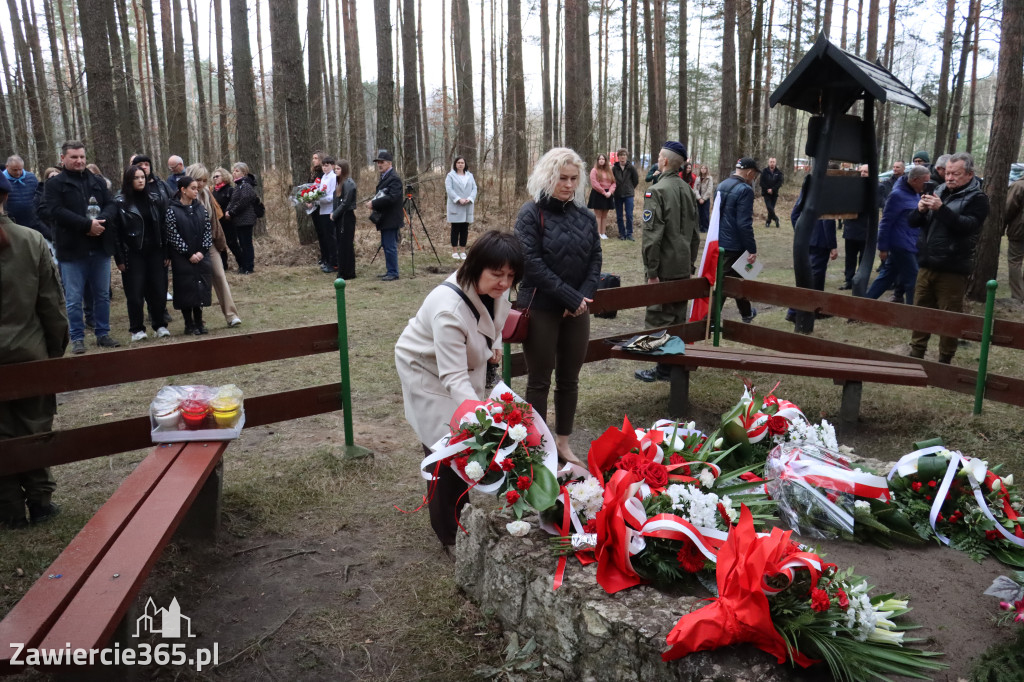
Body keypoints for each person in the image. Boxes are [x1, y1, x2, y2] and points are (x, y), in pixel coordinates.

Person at [395, 230, 522, 551]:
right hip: (426, 370)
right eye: (497, 274)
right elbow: (452, 377)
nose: (505, 283)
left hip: (461, 367)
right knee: (444, 449)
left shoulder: (496, 290)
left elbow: (495, 322)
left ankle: (461, 513)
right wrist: (484, 420)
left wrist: (493, 345)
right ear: (475, 267)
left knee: (467, 446)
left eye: (511, 275)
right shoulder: (448, 310)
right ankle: (447, 534)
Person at [514, 147, 602, 464]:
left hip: (577, 310)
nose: (567, 184)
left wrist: (582, 296)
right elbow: (531, 264)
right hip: (541, 307)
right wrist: (569, 297)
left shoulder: (586, 215)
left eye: (573, 179)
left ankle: (562, 443)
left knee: (569, 379)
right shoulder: (530, 214)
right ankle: (538, 447)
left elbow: (595, 259)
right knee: (539, 379)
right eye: (561, 178)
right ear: (547, 178)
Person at [0, 173, 69, 529]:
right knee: (33, 426)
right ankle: (40, 502)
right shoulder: (32, 241)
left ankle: (9, 509)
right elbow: (52, 307)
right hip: (29, 353)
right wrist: (53, 354)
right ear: (7, 198)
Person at [908, 152, 990, 364]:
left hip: (953, 266)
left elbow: (967, 227)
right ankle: (916, 352)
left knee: (950, 317)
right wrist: (919, 210)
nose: (950, 178)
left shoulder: (978, 199)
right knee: (921, 312)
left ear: (970, 174)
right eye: (948, 173)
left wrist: (941, 209)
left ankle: (945, 359)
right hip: (927, 263)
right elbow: (914, 223)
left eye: (956, 174)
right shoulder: (939, 190)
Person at [41, 141, 119, 355]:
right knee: (74, 298)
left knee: (102, 295)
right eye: (74, 157)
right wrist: (86, 226)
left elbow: (111, 204)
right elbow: (55, 211)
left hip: (99, 247)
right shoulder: (55, 184)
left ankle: (103, 333)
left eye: (82, 156)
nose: (79, 161)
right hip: (72, 250)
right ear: (63, 158)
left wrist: (100, 221)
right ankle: (77, 338)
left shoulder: (97, 181)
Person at [634, 141, 700, 383]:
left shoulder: (657, 191)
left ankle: (662, 369)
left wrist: (652, 272)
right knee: (677, 318)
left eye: (659, 156)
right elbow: (695, 234)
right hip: (682, 265)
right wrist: (690, 264)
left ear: (664, 161)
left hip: (664, 268)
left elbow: (652, 237)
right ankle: (670, 367)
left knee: (659, 318)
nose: (658, 159)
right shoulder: (688, 190)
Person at [111, 165, 170, 342]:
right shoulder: (120, 203)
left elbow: (163, 226)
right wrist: (119, 257)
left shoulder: (155, 199)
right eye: (136, 178)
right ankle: (137, 329)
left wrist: (166, 251)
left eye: (143, 177)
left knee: (159, 290)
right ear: (129, 180)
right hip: (133, 252)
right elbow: (115, 233)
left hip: (156, 251)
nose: (140, 180)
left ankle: (160, 325)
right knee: (135, 293)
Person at [862, 165, 930, 304]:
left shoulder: (917, 193)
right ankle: (913, 314)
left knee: (886, 277)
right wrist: (883, 247)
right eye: (925, 181)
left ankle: (862, 306)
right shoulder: (897, 195)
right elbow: (886, 222)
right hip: (900, 244)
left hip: (911, 242)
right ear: (915, 180)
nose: (927, 185)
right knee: (914, 279)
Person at [187, 163, 242, 327]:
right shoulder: (182, 196)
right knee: (194, 281)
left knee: (219, 275)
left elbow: (214, 222)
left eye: (204, 180)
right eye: (198, 180)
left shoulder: (206, 194)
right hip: (190, 246)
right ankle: (195, 319)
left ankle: (231, 315)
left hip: (209, 242)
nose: (201, 184)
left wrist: (219, 243)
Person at [165, 176, 213, 335]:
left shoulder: (201, 209)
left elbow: (207, 231)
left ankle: (199, 322)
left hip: (200, 257)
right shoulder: (172, 210)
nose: (196, 190)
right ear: (183, 190)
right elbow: (173, 235)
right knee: (186, 289)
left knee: (200, 288)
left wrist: (202, 251)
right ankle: (189, 324)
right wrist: (188, 253)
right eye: (192, 188)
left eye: (196, 188)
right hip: (182, 258)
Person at [786, 176, 837, 320]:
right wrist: (832, 246)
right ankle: (796, 311)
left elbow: (794, 215)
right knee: (815, 277)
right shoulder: (825, 195)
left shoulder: (807, 193)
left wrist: (802, 233)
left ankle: (815, 309)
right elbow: (828, 222)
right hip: (820, 242)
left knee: (810, 276)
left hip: (809, 241)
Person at [717, 157, 760, 323]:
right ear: (749, 173)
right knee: (723, 284)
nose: (754, 178)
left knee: (738, 280)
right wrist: (752, 248)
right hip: (734, 245)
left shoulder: (721, 185)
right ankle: (711, 319)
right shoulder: (745, 190)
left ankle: (746, 313)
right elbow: (744, 223)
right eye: (754, 175)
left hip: (721, 241)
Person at [365, 149, 404, 281]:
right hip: (385, 217)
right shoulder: (385, 177)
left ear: (389, 163)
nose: (379, 165)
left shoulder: (394, 178)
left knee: (390, 246)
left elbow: (392, 198)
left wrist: (374, 203)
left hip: (391, 218)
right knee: (386, 245)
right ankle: (390, 270)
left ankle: (393, 272)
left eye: (382, 162)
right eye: (378, 163)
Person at [839, 164, 870, 290]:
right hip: (851, 228)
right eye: (860, 171)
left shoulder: (877, 187)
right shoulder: (850, 187)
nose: (862, 173)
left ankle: (861, 282)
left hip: (865, 229)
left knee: (863, 259)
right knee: (850, 257)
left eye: (865, 172)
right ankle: (849, 281)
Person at [223, 162, 258, 274]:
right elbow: (233, 201)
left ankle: (249, 267)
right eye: (233, 170)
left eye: (237, 171)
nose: (234, 173)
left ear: (244, 173)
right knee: (242, 243)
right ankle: (244, 266)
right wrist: (227, 211)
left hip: (246, 219)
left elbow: (243, 201)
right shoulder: (238, 185)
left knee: (246, 243)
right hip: (239, 219)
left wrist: (232, 212)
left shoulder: (246, 185)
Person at [3, 155, 44, 239]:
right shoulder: (2, 180)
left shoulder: (31, 178)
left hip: (33, 221)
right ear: (7, 167)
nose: (18, 172)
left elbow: (38, 196)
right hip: (12, 223)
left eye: (20, 169)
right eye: (14, 170)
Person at [445, 156, 478, 258]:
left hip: (467, 206)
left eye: (462, 163)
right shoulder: (450, 176)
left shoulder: (470, 175)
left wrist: (470, 198)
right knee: (455, 229)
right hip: (456, 205)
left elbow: (474, 188)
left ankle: (463, 251)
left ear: (465, 164)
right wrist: (459, 199)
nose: (460, 164)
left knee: (465, 229)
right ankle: (455, 251)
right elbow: (449, 189)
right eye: (458, 162)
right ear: (455, 164)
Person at [331, 159, 358, 280]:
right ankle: (344, 271)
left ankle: (348, 272)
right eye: (335, 168)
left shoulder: (349, 183)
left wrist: (335, 213)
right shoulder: (340, 183)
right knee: (341, 245)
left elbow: (346, 202)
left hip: (346, 218)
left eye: (338, 169)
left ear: (344, 170)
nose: (335, 171)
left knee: (346, 245)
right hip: (340, 217)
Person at [211, 167, 242, 270]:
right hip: (217, 223)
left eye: (217, 176)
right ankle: (223, 266)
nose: (215, 178)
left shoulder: (230, 190)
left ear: (224, 176)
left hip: (229, 222)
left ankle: (242, 264)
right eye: (214, 176)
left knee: (232, 243)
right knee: (220, 245)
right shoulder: (213, 191)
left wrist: (229, 214)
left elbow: (235, 204)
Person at [313, 155, 338, 273]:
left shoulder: (333, 177)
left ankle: (334, 263)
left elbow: (332, 196)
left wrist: (319, 199)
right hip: (322, 210)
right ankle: (328, 260)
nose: (325, 168)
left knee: (331, 238)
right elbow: (320, 191)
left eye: (327, 165)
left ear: (332, 166)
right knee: (326, 238)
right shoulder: (323, 177)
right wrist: (313, 197)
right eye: (323, 165)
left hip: (329, 210)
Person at [1004, 174, 1024, 304]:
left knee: (1015, 261)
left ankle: (1018, 297)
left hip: (1020, 231)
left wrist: (1001, 226)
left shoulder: (1019, 185)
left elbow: (1008, 208)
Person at [587, 153, 615, 240]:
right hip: (598, 194)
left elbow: (613, 182)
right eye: (600, 159)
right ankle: (598, 233)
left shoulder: (609, 171)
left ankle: (603, 233)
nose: (601, 160)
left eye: (603, 159)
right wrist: (603, 192)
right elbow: (594, 183)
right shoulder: (594, 170)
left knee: (604, 215)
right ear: (598, 161)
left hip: (608, 194)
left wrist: (610, 192)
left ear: (606, 161)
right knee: (598, 215)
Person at [612, 148, 639, 240]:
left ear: (626, 157)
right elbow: (612, 181)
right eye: (620, 155)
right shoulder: (614, 168)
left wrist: (630, 188)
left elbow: (636, 180)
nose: (622, 157)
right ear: (618, 157)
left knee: (629, 215)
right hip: (618, 194)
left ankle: (629, 234)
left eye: (624, 155)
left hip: (629, 194)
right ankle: (622, 234)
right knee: (619, 215)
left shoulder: (631, 167)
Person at [759, 156, 784, 228]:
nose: (772, 163)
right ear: (768, 163)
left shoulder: (779, 173)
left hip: (774, 193)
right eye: (771, 162)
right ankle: (776, 219)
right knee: (769, 207)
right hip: (766, 193)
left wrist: (772, 189)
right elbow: (761, 182)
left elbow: (780, 183)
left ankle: (768, 222)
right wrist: (767, 189)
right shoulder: (764, 171)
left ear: (775, 163)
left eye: (773, 162)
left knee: (771, 209)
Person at [695, 164, 713, 233]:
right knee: (699, 213)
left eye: (704, 168)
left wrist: (703, 199)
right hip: (698, 199)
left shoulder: (709, 178)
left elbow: (709, 189)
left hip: (706, 199)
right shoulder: (697, 178)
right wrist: (699, 198)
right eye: (702, 168)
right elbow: (695, 189)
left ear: (706, 170)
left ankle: (705, 228)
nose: (703, 169)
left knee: (705, 214)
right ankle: (699, 227)